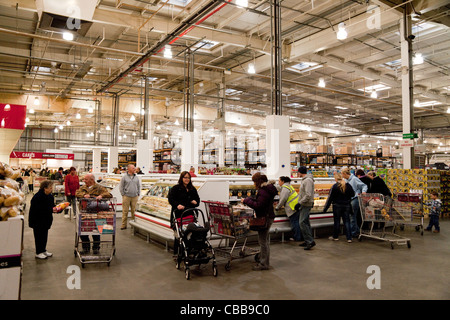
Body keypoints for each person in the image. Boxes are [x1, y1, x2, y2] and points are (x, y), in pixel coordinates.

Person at [242, 173, 278, 270]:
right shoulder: (267, 189)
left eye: (254, 182)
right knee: (265, 241)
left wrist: (246, 201)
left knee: (263, 242)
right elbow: (261, 202)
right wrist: (249, 199)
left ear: (258, 182)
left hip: (264, 218)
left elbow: (259, 205)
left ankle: (263, 264)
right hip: (268, 216)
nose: (254, 184)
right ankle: (263, 259)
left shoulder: (263, 191)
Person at [75, 173, 112, 254]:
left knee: (96, 231)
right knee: (83, 231)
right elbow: (77, 193)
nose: (84, 181)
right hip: (84, 213)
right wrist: (84, 195)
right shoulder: (83, 187)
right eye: (84, 179)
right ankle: (86, 248)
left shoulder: (99, 187)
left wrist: (101, 196)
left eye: (86, 179)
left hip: (96, 214)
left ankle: (96, 248)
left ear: (92, 180)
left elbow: (109, 194)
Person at [168, 171, 200, 256]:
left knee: (190, 233)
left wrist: (195, 202)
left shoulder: (192, 189)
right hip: (178, 215)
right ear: (181, 178)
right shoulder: (175, 188)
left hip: (189, 215)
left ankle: (189, 251)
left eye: (188, 178)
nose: (187, 179)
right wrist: (177, 205)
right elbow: (171, 199)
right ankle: (177, 253)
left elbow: (198, 201)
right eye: (185, 177)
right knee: (179, 234)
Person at [323, 172, 355, 242]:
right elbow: (353, 194)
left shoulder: (334, 186)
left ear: (336, 179)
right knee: (347, 221)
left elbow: (330, 198)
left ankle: (335, 237)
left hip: (337, 206)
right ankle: (349, 238)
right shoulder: (348, 185)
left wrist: (325, 208)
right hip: (346, 205)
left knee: (337, 221)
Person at [28, 180, 55, 259]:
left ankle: (43, 250)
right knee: (39, 236)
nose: (51, 189)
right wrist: (51, 209)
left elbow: (52, 206)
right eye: (50, 188)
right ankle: (38, 252)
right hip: (37, 220)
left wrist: (58, 208)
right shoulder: (37, 197)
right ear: (44, 188)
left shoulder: (50, 196)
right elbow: (39, 209)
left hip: (46, 220)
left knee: (44, 235)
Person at [341, 167, 367, 237]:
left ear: (345, 174)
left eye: (342, 174)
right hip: (349, 199)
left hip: (355, 199)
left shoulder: (354, 179)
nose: (342, 176)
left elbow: (364, 185)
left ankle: (354, 232)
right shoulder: (346, 180)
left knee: (352, 216)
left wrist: (364, 191)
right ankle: (356, 230)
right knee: (351, 216)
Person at [295, 166, 316, 250]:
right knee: (306, 222)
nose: (297, 174)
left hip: (306, 204)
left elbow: (308, 195)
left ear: (300, 172)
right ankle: (308, 240)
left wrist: (299, 203)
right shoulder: (305, 180)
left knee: (302, 222)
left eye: (298, 172)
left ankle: (310, 241)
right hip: (305, 203)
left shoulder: (307, 181)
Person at [275, 176, 301, 241]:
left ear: (283, 181)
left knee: (295, 223)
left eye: (279, 181)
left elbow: (283, 199)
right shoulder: (288, 186)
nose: (278, 182)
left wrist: (277, 207)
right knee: (297, 222)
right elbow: (280, 189)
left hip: (292, 207)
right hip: (296, 206)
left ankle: (297, 237)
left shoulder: (285, 188)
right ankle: (300, 236)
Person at [120, 164, 141, 230]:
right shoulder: (124, 177)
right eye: (133, 168)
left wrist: (138, 193)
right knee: (125, 211)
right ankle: (124, 225)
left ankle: (133, 225)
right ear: (128, 169)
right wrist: (123, 194)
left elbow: (138, 186)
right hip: (126, 196)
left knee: (134, 211)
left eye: (134, 168)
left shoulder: (136, 177)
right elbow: (121, 187)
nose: (134, 169)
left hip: (135, 197)